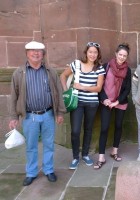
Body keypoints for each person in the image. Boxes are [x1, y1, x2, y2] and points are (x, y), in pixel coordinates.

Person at [9, 41, 66, 186]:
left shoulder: (50, 72)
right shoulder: (19, 73)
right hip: (29, 116)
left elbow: (59, 92)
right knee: (31, 146)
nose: (36, 53)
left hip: (48, 114)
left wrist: (60, 113)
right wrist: (14, 117)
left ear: (43, 54)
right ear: (27, 53)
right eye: (32, 51)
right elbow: (13, 96)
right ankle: (31, 172)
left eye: (39, 51)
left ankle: (48, 170)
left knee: (49, 144)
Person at [60, 42, 105, 170]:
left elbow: (98, 88)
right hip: (77, 102)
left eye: (95, 52)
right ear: (86, 52)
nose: (92, 54)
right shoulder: (76, 64)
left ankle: (85, 154)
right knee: (75, 130)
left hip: (92, 103)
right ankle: (75, 157)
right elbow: (63, 75)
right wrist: (66, 91)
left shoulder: (99, 68)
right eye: (90, 52)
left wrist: (82, 87)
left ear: (98, 54)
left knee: (88, 129)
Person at [93, 43, 131, 169]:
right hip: (107, 101)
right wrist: (104, 99)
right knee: (104, 128)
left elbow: (127, 89)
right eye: (120, 54)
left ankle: (114, 151)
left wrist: (117, 101)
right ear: (116, 54)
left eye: (124, 56)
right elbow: (100, 85)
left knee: (119, 126)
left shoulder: (128, 70)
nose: (122, 57)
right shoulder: (106, 66)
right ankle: (101, 157)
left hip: (120, 102)